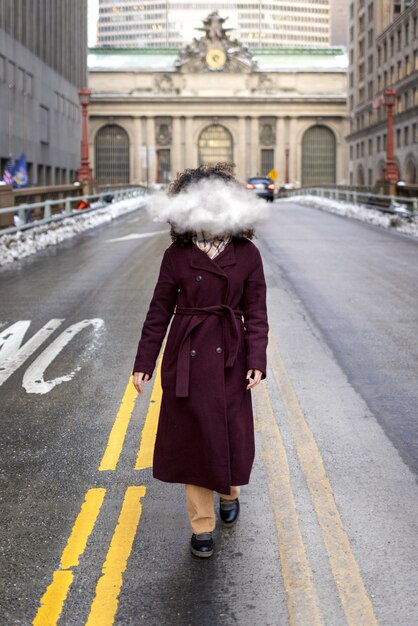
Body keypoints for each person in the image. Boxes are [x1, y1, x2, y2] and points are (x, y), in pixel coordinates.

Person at [132, 162, 269, 558]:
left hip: (231, 354)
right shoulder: (177, 255)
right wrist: (145, 361)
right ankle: (201, 526)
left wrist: (256, 358)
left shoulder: (247, 254)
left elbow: (256, 312)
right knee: (194, 441)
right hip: (187, 358)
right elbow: (158, 311)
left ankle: (229, 492)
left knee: (225, 434)